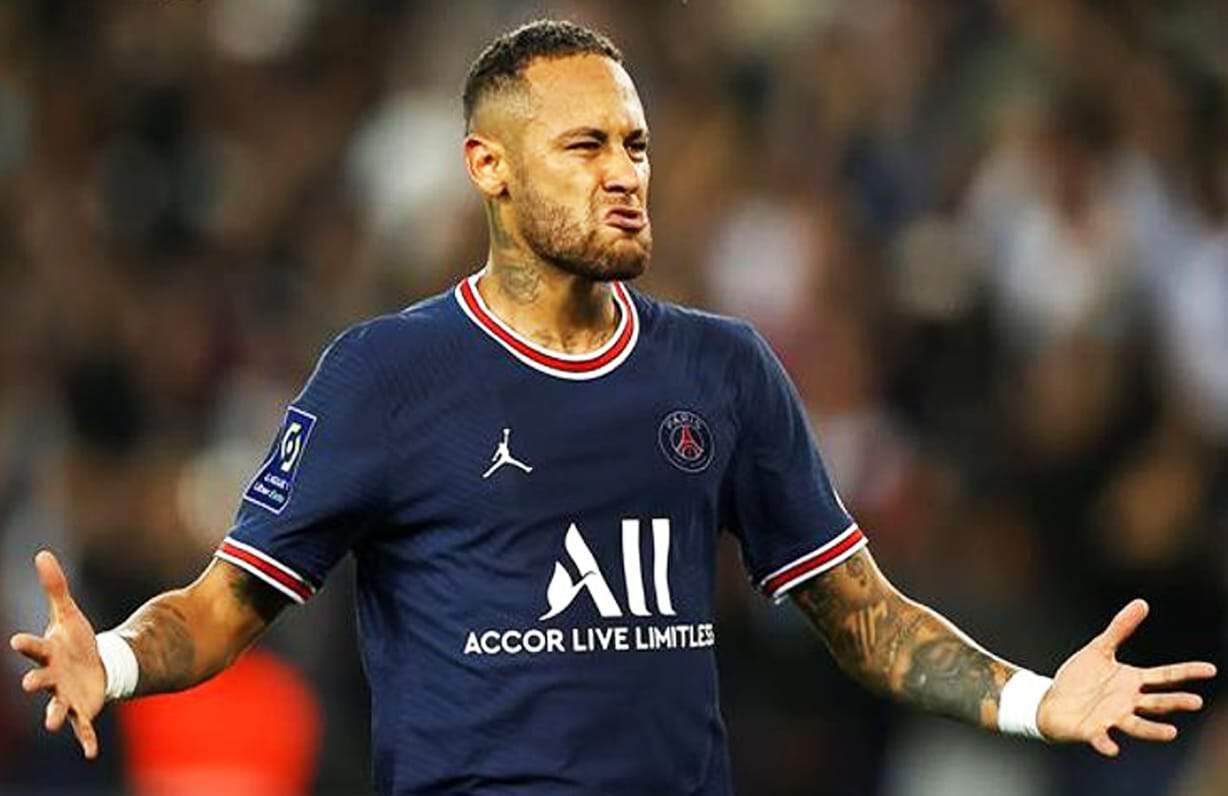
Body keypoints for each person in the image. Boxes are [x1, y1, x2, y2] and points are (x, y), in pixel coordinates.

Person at [9, 19, 1216, 795]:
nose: (627, 175)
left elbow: (862, 617)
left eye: (635, 146)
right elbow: (223, 607)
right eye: (584, 147)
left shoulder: (723, 369)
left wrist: (1031, 699)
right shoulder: (385, 374)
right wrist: (107, 659)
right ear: (489, 167)